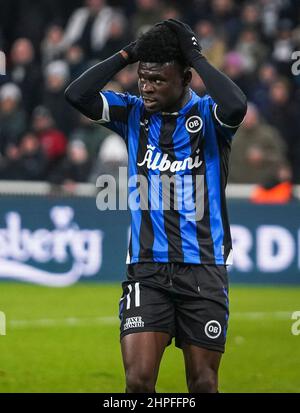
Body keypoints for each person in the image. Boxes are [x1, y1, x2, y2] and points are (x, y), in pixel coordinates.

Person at [65, 19, 247, 393]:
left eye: (158, 80)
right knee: (138, 383)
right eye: (142, 78)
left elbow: (237, 105)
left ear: (185, 77)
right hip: (146, 270)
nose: (146, 87)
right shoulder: (132, 113)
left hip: (204, 269)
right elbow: (76, 94)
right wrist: (130, 53)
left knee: (203, 384)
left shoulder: (210, 117)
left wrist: (195, 53)